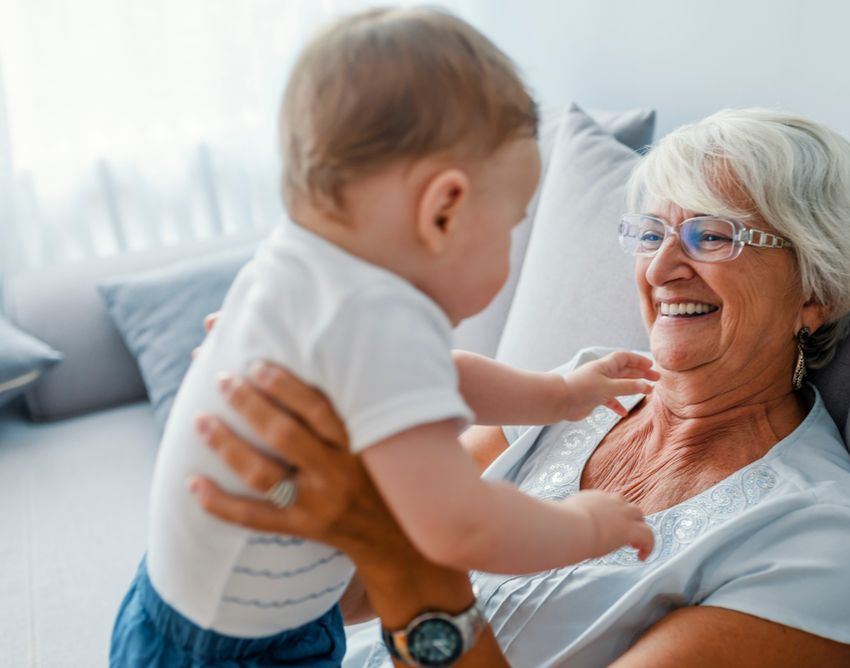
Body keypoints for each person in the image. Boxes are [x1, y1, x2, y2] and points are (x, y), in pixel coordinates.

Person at [189, 108, 850, 667]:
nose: (660, 270)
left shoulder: (819, 544)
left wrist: (396, 555)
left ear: (818, 290)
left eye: (712, 237)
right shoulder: (582, 391)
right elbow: (359, 589)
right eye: (652, 234)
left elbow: (398, 561)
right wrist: (290, 489)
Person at [110, 8, 657, 667]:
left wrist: (559, 394)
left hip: (170, 610)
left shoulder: (299, 268)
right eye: (511, 226)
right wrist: (586, 526)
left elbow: (445, 374)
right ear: (443, 210)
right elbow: (462, 525)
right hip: (242, 653)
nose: (511, 249)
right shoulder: (376, 321)